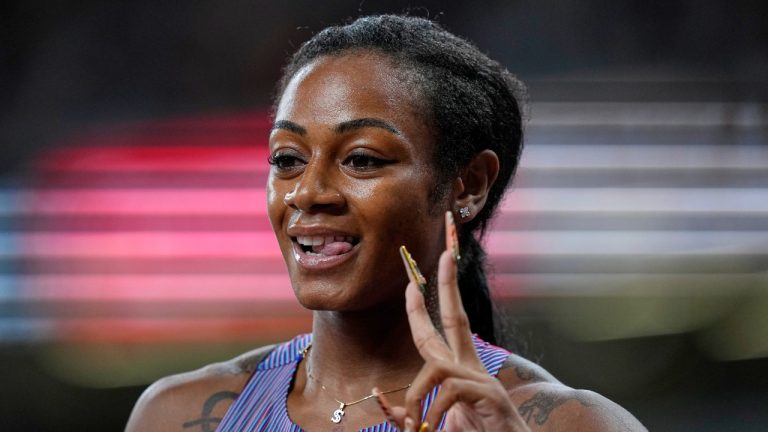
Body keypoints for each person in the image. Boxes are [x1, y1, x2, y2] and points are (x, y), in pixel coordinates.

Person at [126, 14, 647, 431]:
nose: (308, 192)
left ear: (467, 185)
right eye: (288, 159)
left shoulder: (568, 424)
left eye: (362, 159)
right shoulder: (177, 415)